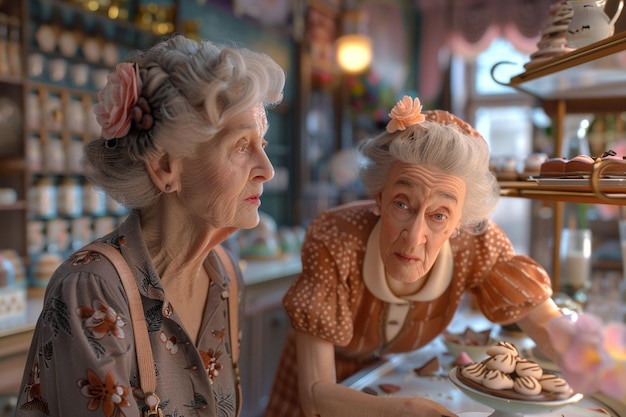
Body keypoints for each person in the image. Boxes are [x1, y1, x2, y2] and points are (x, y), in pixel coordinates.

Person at [15, 34, 285, 417]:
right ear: (164, 167)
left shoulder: (223, 275)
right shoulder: (93, 289)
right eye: (242, 146)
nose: (266, 170)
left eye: (263, 144)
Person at [264, 96, 564, 417]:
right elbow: (315, 396)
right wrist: (398, 410)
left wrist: (596, 359)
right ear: (379, 197)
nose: (415, 235)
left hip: (386, 380)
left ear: (460, 222)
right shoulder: (336, 236)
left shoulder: (477, 242)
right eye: (402, 204)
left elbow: (550, 328)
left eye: (439, 216)